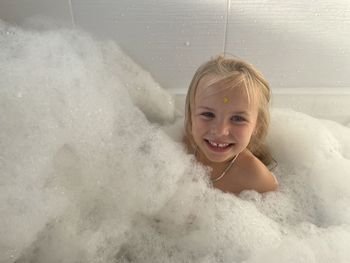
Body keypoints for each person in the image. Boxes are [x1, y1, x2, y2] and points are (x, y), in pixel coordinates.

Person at [184, 55, 278, 194]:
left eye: (238, 118)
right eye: (208, 115)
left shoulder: (258, 179)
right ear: (191, 114)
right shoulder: (178, 147)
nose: (221, 131)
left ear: (257, 125)